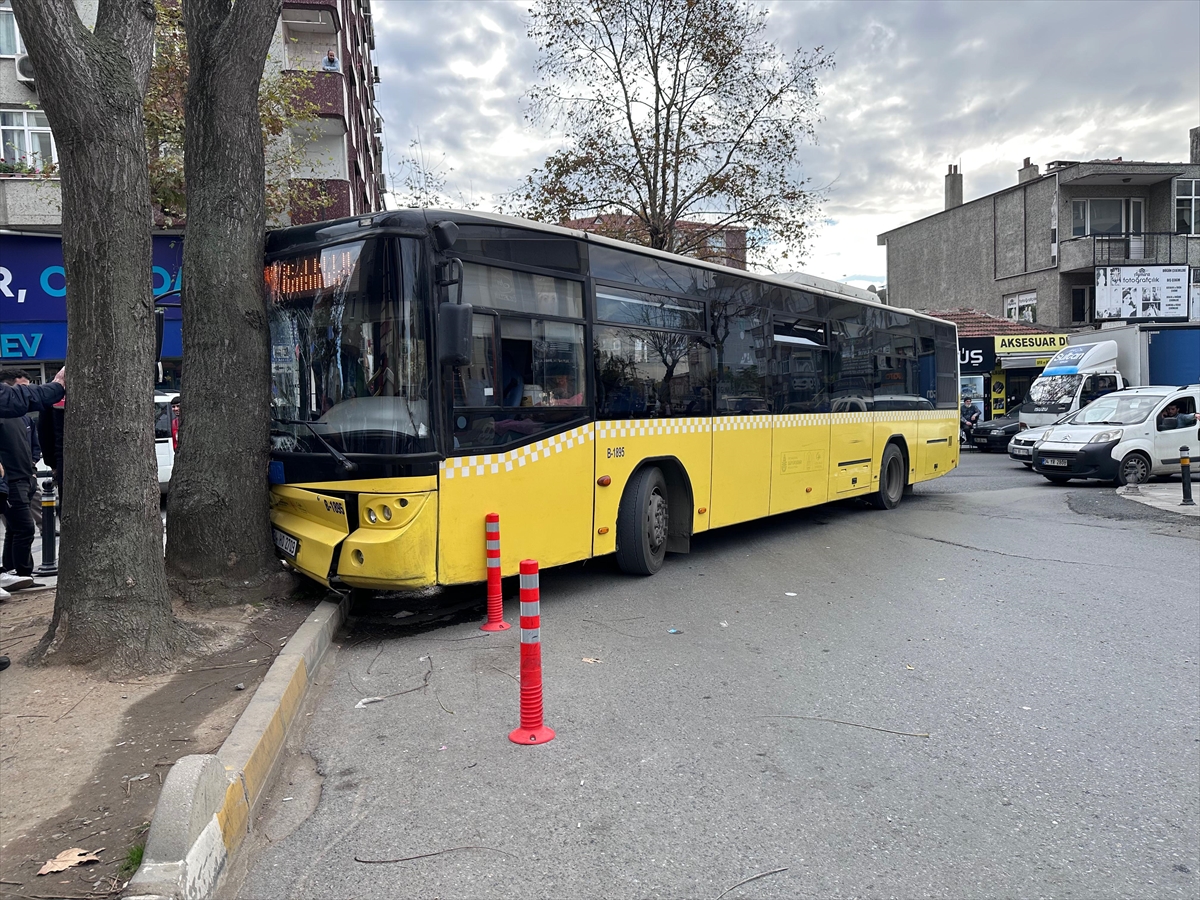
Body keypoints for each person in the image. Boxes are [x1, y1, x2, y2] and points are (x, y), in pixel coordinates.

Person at [0, 366, 64, 671]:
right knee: (23, 526)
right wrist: (57, 386)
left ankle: (10, 571)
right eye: (21, 387)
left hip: (23, 476)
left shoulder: (22, 418)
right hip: (12, 480)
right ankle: (16, 570)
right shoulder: (9, 407)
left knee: (19, 528)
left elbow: (34, 438)